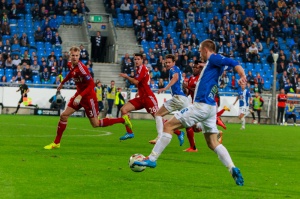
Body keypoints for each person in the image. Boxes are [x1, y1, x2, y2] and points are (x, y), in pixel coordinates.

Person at [134, 39, 245, 186]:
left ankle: (152, 159)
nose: (200, 54)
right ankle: (232, 168)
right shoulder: (213, 64)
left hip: (201, 105)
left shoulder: (213, 57)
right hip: (211, 108)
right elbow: (223, 66)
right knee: (213, 143)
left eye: (200, 51)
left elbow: (234, 62)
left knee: (168, 126)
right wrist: (204, 66)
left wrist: (242, 76)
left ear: (206, 50)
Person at [44, 46, 132, 149]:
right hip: (79, 95)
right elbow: (71, 74)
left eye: (77, 56)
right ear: (70, 55)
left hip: (88, 97)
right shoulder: (70, 64)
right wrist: (62, 83)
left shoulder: (82, 68)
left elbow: (91, 85)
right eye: (73, 55)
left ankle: (122, 120)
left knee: (96, 123)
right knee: (64, 115)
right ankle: (56, 143)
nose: (75, 57)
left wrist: (81, 96)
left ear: (79, 56)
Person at [148, 54, 191, 147]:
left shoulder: (173, 69)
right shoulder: (178, 69)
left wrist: (165, 88)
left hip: (177, 99)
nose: (167, 64)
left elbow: (175, 78)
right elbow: (181, 82)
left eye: (169, 62)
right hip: (184, 99)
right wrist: (186, 88)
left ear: (173, 62)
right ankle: (214, 128)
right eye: (166, 62)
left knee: (158, 114)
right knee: (192, 123)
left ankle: (159, 137)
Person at [116, 53, 160, 140]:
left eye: (138, 59)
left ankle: (178, 132)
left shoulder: (143, 68)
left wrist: (127, 77)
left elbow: (136, 82)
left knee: (158, 118)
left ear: (142, 60)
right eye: (135, 59)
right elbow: (142, 82)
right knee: (123, 109)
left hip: (148, 97)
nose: (136, 61)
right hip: (141, 97)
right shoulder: (138, 69)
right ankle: (129, 132)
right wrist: (139, 91)